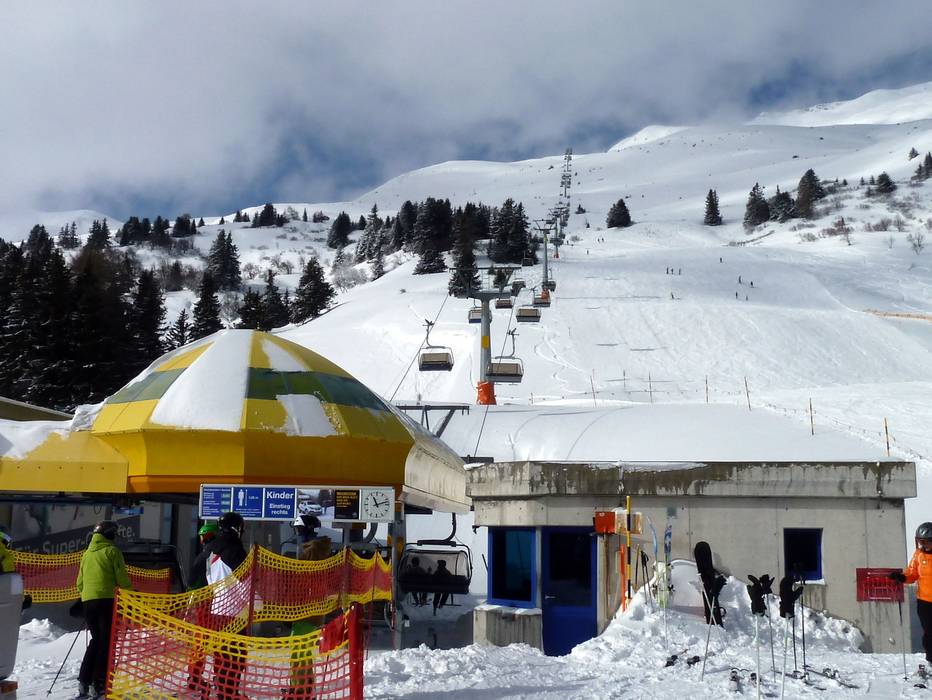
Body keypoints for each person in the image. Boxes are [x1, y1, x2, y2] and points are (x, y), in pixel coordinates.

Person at [76, 520, 132, 699]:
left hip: (88, 602)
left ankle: (83, 682)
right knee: (106, 642)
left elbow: (79, 583)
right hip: (106, 601)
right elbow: (121, 578)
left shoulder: (87, 554)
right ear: (109, 534)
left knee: (96, 640)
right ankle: (98, 683)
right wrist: (130, 595)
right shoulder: (112, 551)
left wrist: (88, 595)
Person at [204, 512, 248, 700]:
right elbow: (246, 582)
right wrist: (258, 604)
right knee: (235, 658)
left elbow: (206, 578)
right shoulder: (236, 550)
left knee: (221, 656)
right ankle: (229, 693)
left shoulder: (211, 551)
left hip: (217, 610)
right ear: (237, 528)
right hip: (236, 613)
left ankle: (223, 691)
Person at [891, 522, 932, 665]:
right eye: (920, 542)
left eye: (926, 542)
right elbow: (912, 573)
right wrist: (902, 577)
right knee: (929, 632)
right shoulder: (919, 555)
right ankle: (931, 661)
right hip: (925, 601)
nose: (923, 545)